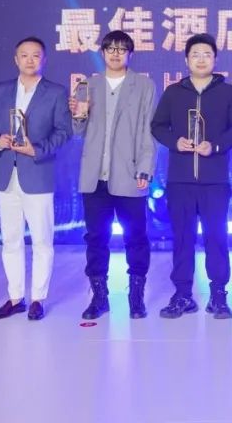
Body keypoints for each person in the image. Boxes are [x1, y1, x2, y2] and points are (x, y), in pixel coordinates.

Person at [151, 33, 232, 320]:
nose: (201, 59)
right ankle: (183, 295)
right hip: (180, 180)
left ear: (215, 59)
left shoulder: (227, 93)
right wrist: (175, 142)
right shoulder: (174, 92)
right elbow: (158, 126)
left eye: (207, 54)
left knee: (216, 237)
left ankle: (218, 294)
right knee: (182, 238)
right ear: (186, 60)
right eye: (195, 54)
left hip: (214, 180)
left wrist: (215, 146)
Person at [0, 36, 71, 321]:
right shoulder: (1, 90)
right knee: (11, 240)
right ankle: (15, 297)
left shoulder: (55, 92)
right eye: (24, 55)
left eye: (36, 55)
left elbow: (64, 131)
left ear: (44, 59)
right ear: (15, 59)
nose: (30, 60)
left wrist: (37, 149)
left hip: (38, 174)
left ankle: (38, 299)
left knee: (42, 241)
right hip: (6, 175)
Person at [70, 30, 155, 320]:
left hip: (129, 172)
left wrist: (145, 167)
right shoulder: (88, 84)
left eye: (121, 49)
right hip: (95, 176)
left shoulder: (143, 85)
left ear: (130, 54)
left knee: (136, 236)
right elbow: (78, 130)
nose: (116, 54)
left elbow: (148, 130)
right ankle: (99, 296)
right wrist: (79, 114)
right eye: (110, 49)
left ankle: (136, 296)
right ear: (103, 52)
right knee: (96, 237)